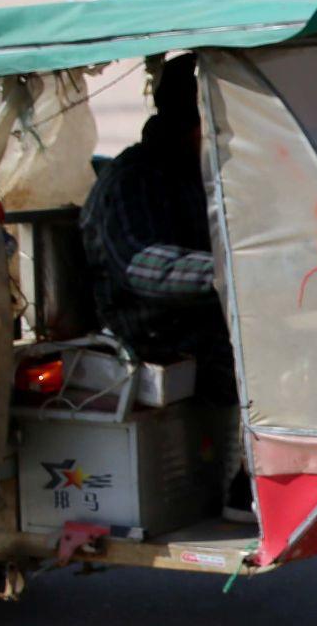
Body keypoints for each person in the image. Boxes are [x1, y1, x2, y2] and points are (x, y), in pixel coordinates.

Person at [80, 54, 249, 516]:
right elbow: (144, 268)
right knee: (259, 352)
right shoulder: (131, 181)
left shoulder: (201, 173)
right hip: (151, 327)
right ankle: (248, 485)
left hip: (202, 312)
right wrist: (232, 274)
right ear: (187, 123)